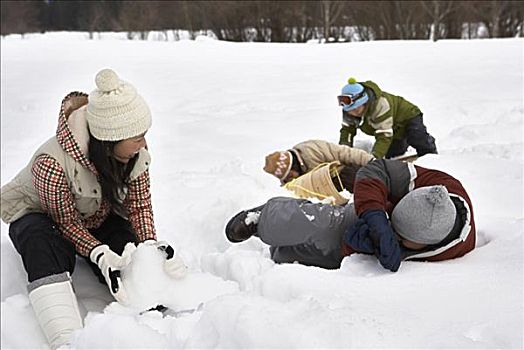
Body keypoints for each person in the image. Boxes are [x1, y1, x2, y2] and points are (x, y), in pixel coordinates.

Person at [1, 69, 187, 350]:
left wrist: (150, 247)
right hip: (41, 215)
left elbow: (138, 206)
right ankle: (66, 339)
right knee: (42, 243)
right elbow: (65, 223)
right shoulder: (50, 163)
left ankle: (149, 313)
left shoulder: (134, 156)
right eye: (137, 137)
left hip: (94, 213)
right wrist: (98, 253)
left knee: (127, 247)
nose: (144, 144)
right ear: (110, 140)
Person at [225, 159, 475, 272]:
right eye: (397, 230)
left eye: (403, 237)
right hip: (375, 209)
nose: (396, 235)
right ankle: (263, 219)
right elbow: (377, 169)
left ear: (426, 243)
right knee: (328, 223)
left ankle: (278, 257)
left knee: (332, 257)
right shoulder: (439, 184)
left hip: (373, 241)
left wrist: (372, 246)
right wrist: (376, 215)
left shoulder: (452, 251)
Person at [337, 77, 438, 159]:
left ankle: (430, 154)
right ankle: (403, 141)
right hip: (391, 127)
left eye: (356, 109)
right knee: (393, 154)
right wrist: (343, 152)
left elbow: (383, 136)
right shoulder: (349, 111)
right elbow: (347, 131)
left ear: (365, 103)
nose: (353, 113)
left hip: (407, 117)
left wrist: (374, 158)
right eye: (350, 110)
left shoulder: (380, 105)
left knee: (416, 138)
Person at [263, 139, 373, 198]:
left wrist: (373, 163)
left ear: (294, 165)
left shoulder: (312, 149)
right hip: (328, 195)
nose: (291, 179)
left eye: (291, 176)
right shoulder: (289, 180)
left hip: (344, 175)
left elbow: (345, 153)